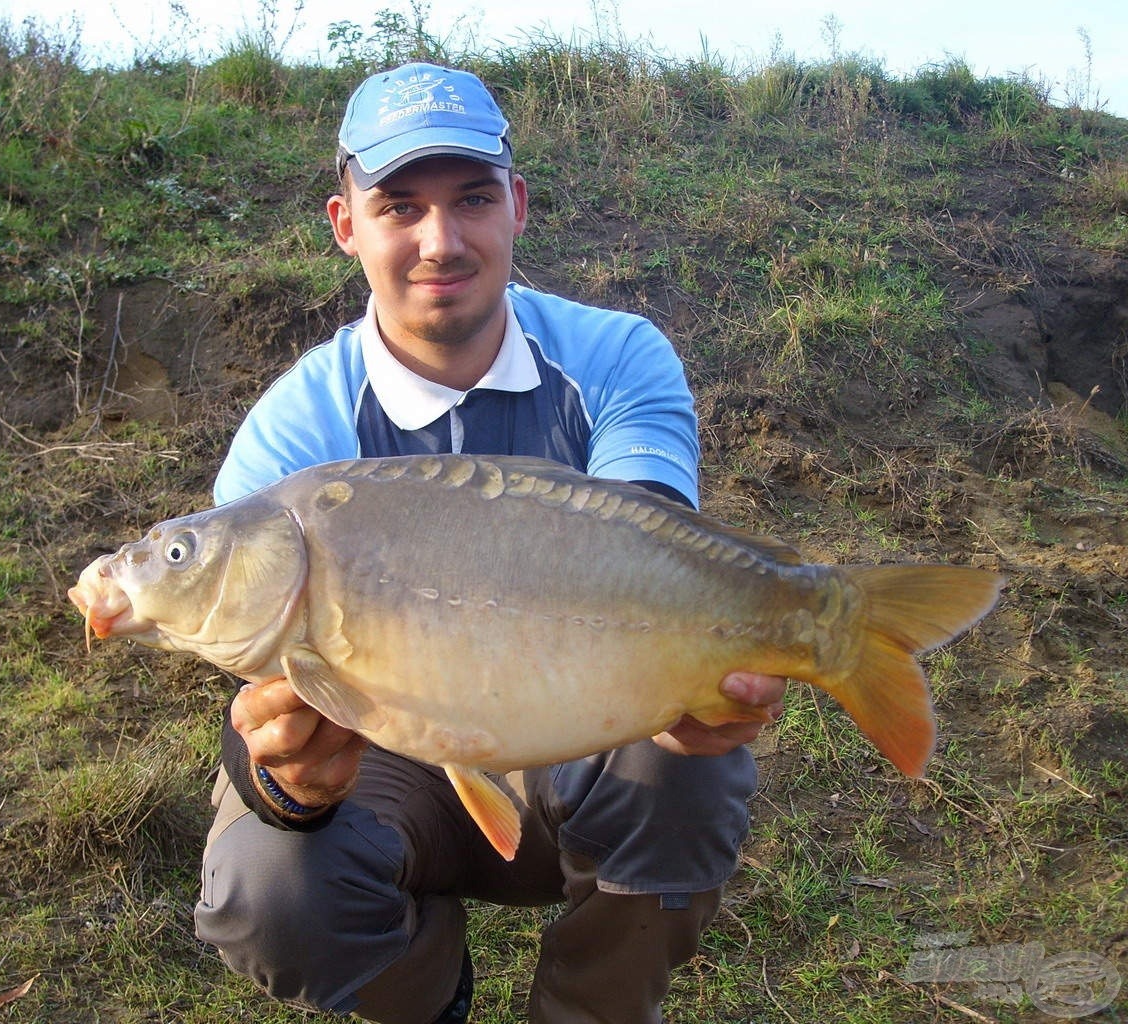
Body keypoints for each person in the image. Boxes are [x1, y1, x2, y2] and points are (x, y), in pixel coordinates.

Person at [194, 61, 787, 1024]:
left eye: (471, 198)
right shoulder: (293, 433)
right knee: (269, 880)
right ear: (346, 225)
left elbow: (649, 551)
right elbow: (264, 703)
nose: (441, 241)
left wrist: (686, 681)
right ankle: (425, 997)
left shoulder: (615, 357)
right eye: (399, 206)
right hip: (385, 753)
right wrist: (284, 785)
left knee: (686, 768)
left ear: (515, 204)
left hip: (579, 718)